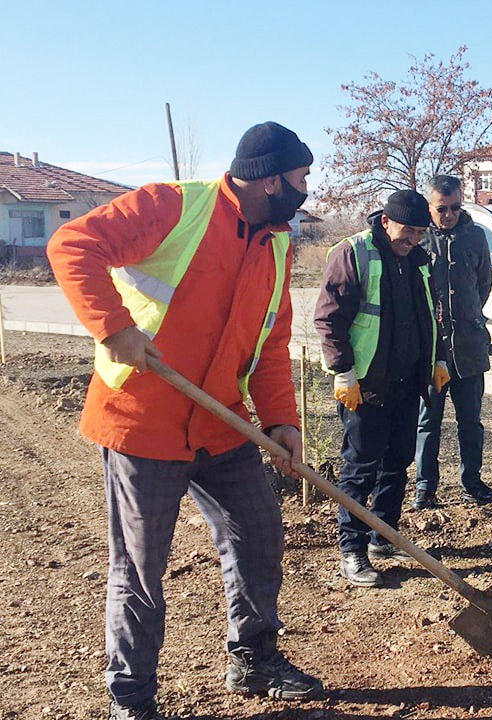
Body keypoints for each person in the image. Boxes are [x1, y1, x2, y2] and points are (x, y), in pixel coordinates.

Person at [46, 121, 323, 720]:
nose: (307, 188)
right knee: (141, 568)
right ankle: (132, 695)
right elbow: (72, 244)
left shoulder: (276, 242)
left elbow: (270, 344)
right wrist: (114, 326)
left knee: (258, 533)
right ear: (271, 179)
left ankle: (253, 659)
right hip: (145, 419)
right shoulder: (174, 206)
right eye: (301, 177)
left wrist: (281, 421)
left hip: (225, 423)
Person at [315, 190, 449, 588]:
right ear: (386, 222)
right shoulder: (353, 254)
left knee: (399, 460)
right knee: (360, 466)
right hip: (367, 384)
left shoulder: (419, 259)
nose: (412, 241)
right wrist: (343, 371)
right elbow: (329, 319)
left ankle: (384, 535)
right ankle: (351, 549)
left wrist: (437, 359)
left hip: (409, 380)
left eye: (420, 234)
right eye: (407, 232)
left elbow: (431, 313)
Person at [412, 175, 492, 510]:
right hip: (431, 350)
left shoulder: (475, 236)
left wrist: (466, 315)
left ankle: (472, 482)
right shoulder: (419, 239)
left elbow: (482, 284)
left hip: (469, 347)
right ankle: (425, 487)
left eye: (454, 207)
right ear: (430, 206)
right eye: (441, 208)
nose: (447, 214)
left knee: (471, 419)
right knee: (428, 421)